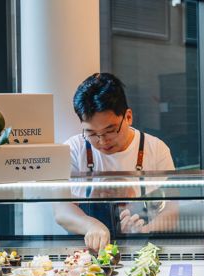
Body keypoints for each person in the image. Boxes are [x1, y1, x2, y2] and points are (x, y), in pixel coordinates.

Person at [54, 73, 177, 251]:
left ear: (128, 117)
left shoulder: (156, 149)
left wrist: (144, 231)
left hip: (143, 252)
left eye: (110, 131)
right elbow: (61, 211)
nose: (102, 141)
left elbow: (172, 212)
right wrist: (91, 226)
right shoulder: (73, 150)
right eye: (92, 133)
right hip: (86, 257)